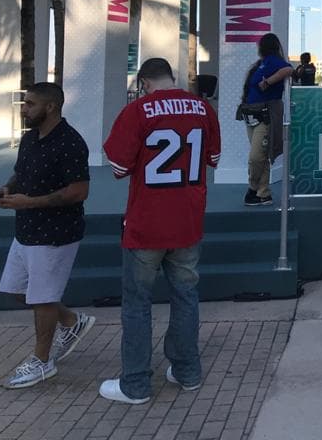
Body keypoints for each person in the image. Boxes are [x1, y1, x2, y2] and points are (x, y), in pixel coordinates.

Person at [100, 58, 221, 404]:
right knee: (186, 295)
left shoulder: (138, 110)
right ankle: (187, 371)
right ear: (172, 77)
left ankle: (135, 384)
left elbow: (119, 167)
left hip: (146, 223)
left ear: (143, 82)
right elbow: (212, 159)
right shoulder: (201, 108)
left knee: (137, 303)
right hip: (188, 219)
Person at [0, 82, 95, 389]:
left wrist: (30, 202)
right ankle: (70, 321)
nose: (24, 109)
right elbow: (21, 172)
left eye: (31, 104)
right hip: (26, 228)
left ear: (50, 107)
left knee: (43, 298)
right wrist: (9, 189)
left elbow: (79, 191)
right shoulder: (30, 138)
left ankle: (41, 361)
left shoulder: (70, 142)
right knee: (15, 289)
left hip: (55, 233)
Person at [237, 33, 293, 207]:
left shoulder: (273, 61)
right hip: (252, 114)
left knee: (256, 156)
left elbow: (289, 70)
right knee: (261, 156)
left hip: (265, 115)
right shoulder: (260, 64)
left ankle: (252, 189)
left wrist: (268, 82)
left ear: (265, 46)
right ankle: (263, 194)